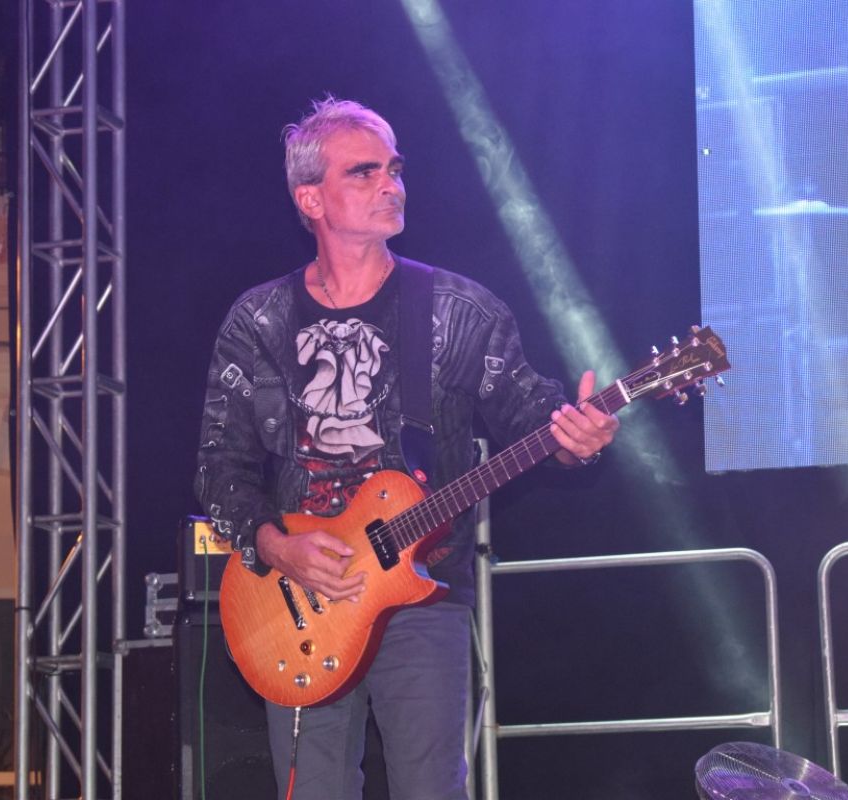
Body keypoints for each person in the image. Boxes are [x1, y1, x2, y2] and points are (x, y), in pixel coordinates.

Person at [194, 96, 618, 800]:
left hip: (423, 596)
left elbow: (533, 418)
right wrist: (277, 547)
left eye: (394, 169)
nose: (390, 184)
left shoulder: (457, 310)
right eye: (364, 172)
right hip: (299, 603)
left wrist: (580, 442)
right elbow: (219, 466)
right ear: (310, 198)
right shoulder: (259, 321)